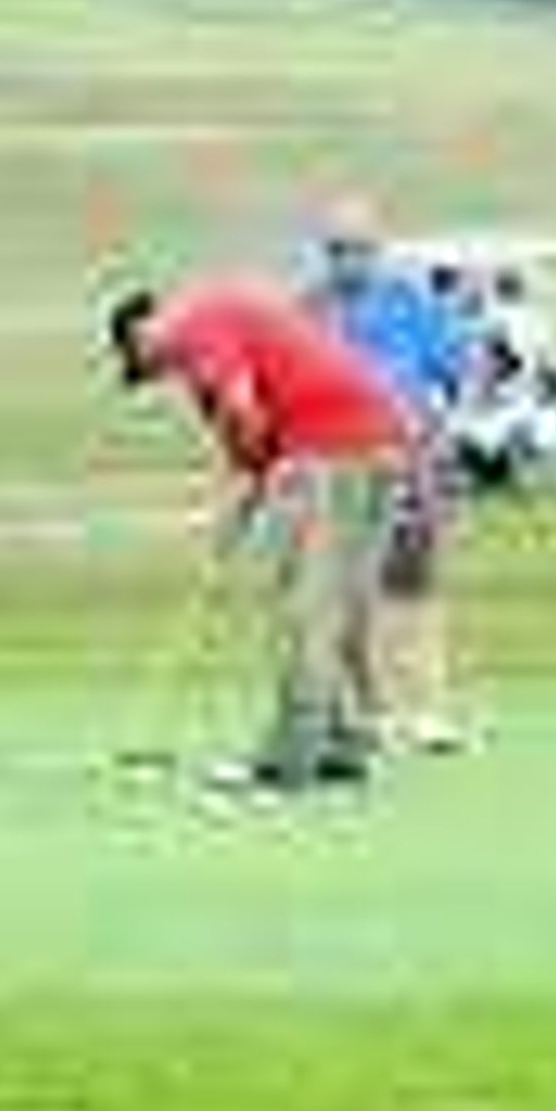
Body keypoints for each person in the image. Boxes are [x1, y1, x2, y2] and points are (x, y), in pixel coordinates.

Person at [107, 279, 408, 795]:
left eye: (145, 363)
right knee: (333, 604)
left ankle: (290, 758)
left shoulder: (193, 328)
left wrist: (254, 481)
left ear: (141, 332)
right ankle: (338, 745)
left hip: (326, 450)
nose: (158, 375)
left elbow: (243, 413)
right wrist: (240, 508)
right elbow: (248, 442)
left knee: (301, 605)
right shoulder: (219, 322)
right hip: (378, 442)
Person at [302, 198, 477, 752]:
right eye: (336, 250)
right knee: (347, 596)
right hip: (337, 467)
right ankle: (368, 713)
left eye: (357, 249)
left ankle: (428, 711)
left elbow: (458, 369)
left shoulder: (410, 304)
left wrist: (441, 428)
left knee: (414, 587)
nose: (347, 261)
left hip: (410, 460)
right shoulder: (308, 312)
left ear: (376, 251)